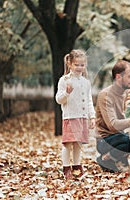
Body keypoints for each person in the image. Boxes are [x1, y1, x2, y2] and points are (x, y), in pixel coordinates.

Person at [55, 49, 96, 179]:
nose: (79, 68)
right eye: (76, 65)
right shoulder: (64, 80)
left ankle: (77, 166)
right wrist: (67, 92)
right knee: (68, 144)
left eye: (82, 65)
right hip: (70, 116)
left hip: (82, 117)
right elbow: (59, 100)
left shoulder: (86, 82)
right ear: (70, 64)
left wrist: (92, 116)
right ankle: (66, 167)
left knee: (78, 143)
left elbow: (89, 100)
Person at [95, 60, 130, 172]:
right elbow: (112, 125)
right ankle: (105, 158)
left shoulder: (129, 92)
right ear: (118, 77)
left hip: (121, 136)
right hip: (105, 140)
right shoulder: (106, 95)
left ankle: (117, 158)